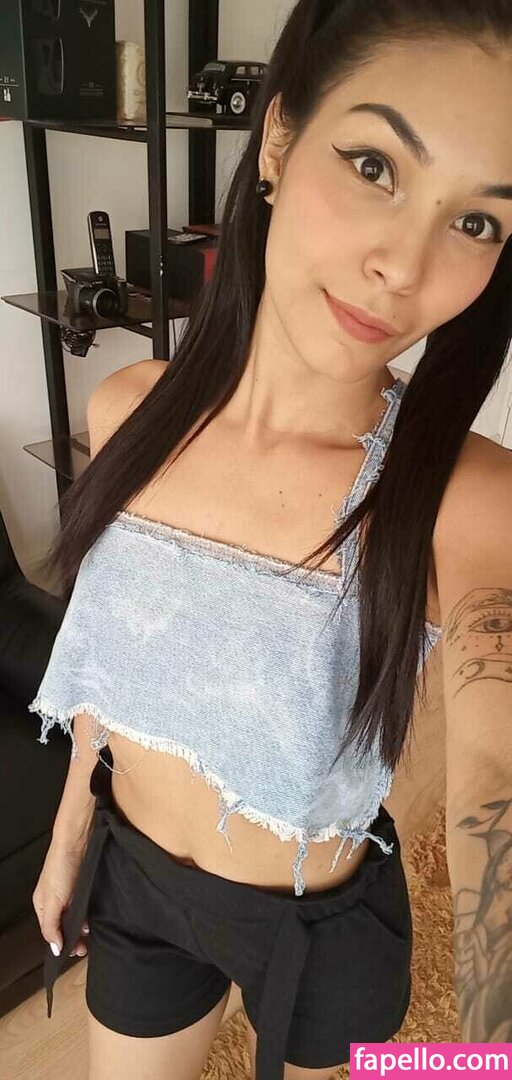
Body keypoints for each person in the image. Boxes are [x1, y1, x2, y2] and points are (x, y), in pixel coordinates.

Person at [29, 1, 512, 1078]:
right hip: (137, 885)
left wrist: (495, 1036)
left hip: (318, 921)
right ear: (281, 138)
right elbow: (113, 658)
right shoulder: (128, 410)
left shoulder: (462, 495)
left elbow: (494, 776)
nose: (405, 266)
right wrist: (68, 841)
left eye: (479, 223)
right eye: (375, 166)